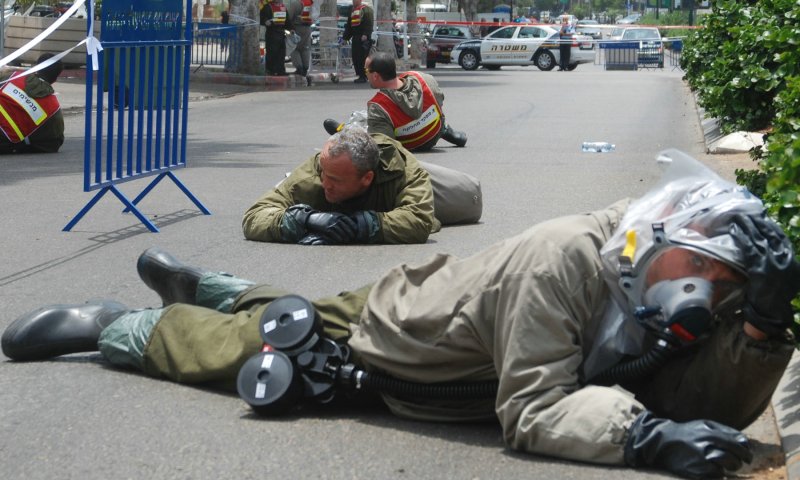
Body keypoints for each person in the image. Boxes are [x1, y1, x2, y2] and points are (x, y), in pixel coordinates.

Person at [4, 149, 800, 479]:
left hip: (433, 303)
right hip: (394, 339)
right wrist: (644, 435)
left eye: (724, 283)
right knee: (242, 347)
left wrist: (761, 330)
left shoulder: (656, 295)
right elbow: (532, 409)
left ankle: (207, 279)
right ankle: (115, 324)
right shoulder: (569, 256)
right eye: (697, 267)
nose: (702, 292)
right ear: (652, 236)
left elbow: (709, 407)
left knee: (299, 311)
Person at [242, 126, 441, 244]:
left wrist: (358, 226)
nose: (325, 183)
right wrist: (306, 220)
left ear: (366, 178)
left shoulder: (403, 171)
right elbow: (254, 217)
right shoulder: (313, 175)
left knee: (468, 198)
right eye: (324, 173)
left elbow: (419, 219)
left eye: (335, 180)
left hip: (430, 193)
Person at [322, 52, 467, 150]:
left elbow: (385, 145)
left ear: (376, 76)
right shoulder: (424, 78)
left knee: (368, 124)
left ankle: (346, 130)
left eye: (366, 71)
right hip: (434, 132)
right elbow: (439, 102)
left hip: (412, 144)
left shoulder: (377, 106)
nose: (365, 75)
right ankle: (448, 131)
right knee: (431, 106)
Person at [0, 53, 64, 154]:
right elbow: (54, 143)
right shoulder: (53, 108)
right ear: (55, 78)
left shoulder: (14, 76)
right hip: (5, 141)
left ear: (36, 67)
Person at [342, 0, 373, 83]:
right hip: (356, 38)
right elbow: (349, 26)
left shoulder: (366, 10)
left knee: (363, 58)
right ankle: (360, 75)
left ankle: (365, 75)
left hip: (363, 38)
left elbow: (369, 23)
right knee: (356, 57)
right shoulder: (352, 11)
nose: (354, 1)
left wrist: (366, 34)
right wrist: (345, 38)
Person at [260, 0, 293, 76]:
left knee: (281, 53)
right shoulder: (267, 7)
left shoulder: (283, 7)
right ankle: (270, 70)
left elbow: (287, 21)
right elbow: (262, 18)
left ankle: (280, 70)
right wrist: (265, 21)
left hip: (281, 33)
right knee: (272, 52)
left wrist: (292, 29)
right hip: (272, 33)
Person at [286, 0, 314, 86]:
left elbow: (289, 17)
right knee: (305, 48)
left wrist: (288, 28)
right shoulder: (311, 3)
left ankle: (300, 68)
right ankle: (305, 67)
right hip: (308, 29)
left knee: (295, 48)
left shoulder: (295, 4)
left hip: (296, 28)